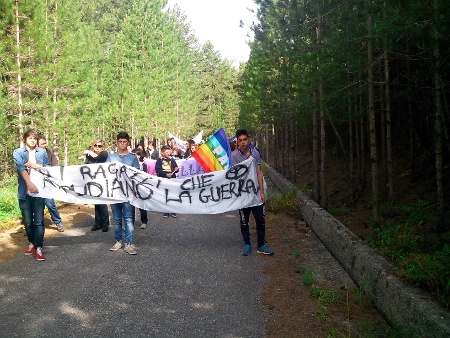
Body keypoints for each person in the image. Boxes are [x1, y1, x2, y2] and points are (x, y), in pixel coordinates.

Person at [231, 129, 274, 256]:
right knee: (244, 221)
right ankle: (247, 244)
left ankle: (261, 245)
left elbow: (259, 173)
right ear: (237, 142)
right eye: (240, 140)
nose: (243, 143)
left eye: (245, 139)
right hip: (243, 194)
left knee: (260, 219)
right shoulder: (234, 156)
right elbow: (236, 175)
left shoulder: (255, 153)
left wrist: (262, 192)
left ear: (248, 139)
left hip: (255, 193)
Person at [13, 129, 50, 261]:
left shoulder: (42, 152)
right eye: (30, 138)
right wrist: (29, 184)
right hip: (25, 192)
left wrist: (36, 166)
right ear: (25, 139)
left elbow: (48, 169)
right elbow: (21, 168)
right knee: (28, 222)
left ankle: (39, 247)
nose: (33, 140)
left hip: (39, 192)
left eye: (35, 138)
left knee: (39, 221)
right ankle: (32, 243)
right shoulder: (18, 152)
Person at [106, 132, 140, 255]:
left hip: (128, 193)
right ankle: (118, 240)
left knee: (129, 218)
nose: (122, 144)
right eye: (120, 141)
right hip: (115, 193)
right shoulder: (111, 157)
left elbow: (137, 175)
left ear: (128, 143)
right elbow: (104, 173)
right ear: (117, 142)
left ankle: (128, 243)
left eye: (124, 142)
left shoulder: (132, 158)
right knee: (116, 219)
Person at [37, 135, 64, 232]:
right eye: (42, 144)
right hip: (35, 184)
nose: (45, 145)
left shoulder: (49, 153)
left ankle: (58, 223)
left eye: (45, 143)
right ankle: (34, 227)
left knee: (50, 203)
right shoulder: (32, 154)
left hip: (47, 183)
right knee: (36, 206)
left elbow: (55, 166)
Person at [82, 139, 110, 232]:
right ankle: (97, 224)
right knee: (96, 204)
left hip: (101, 181)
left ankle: (105, 224)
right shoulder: (90, 156)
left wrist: (89, 152)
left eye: (99, 146)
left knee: (102, 204)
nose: (97, 147)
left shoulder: (104, 154)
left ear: (103, 147)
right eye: (95, 145)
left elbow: (98, 158)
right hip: (92, 181)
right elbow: (85, 165)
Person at [155, 145, 179, 218]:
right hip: (163, 180)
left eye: (169, 151)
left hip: (172, 180)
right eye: (167, 152)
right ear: (162, 153)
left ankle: (173, 210)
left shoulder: (172, 160)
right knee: (165, 195)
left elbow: (176, 169)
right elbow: (157, 170)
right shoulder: (159, 160)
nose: (168, 153)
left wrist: (176, 169)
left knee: (172, 195)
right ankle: (166, 211)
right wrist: (165, 174)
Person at [131, 148, 149, 229]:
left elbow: (145, 176)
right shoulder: (128, 165)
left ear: (138, 156)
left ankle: (144, 221)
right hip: (131, 187)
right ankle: (130, 222)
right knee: (131, 206)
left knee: (141, 205)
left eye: (134, 155)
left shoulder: (143, 165)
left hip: (141, 187)